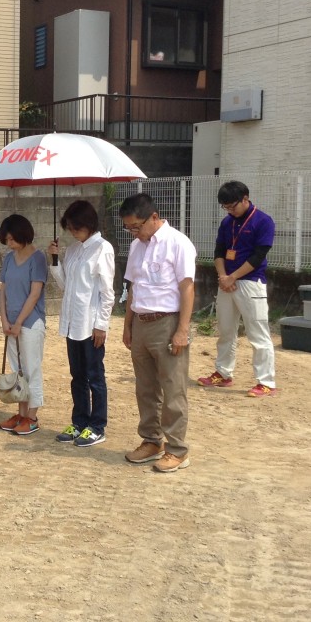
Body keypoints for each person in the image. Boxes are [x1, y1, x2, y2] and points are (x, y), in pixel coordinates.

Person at [120, 193, 196, 473]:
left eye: (137, 226)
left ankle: (177, 449)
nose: (134, 232)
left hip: (167, 323)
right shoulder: (136, 247)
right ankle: (152, 441)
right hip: (141, 322)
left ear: (154, 217)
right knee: (146, 388)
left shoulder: (178, 243)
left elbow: (187, 287)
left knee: (173, 387)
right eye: (129, 228)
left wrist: (182, 330)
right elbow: (133, 288)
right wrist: (127, 325)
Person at [198, 180, 277, 397]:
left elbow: (259, 256)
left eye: (232, 206)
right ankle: (223, 373)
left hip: (251, 283)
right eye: (225, 207)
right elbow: (219, 251)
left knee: (258, 333)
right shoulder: (227, 223)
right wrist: (223, 276)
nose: (229, 211)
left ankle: (266, 381)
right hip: (227, 282)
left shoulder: (263, 221)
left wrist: (232, 276)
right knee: (225, 331)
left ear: (245, 199)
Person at [46, 200, 115, 448]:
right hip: (72, 322)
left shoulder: (102, 249)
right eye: (71, 229)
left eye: (76, 228)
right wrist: (55, 261)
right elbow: (67, 285)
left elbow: (108, 293)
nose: (73, 233)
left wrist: (102, 325)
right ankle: (79, 421)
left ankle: (97, 426)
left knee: (95, 376)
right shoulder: (74, 249)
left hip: (90, 323)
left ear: (88, 224)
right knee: (77, 376)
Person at [0, 214, 47, 435]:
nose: (10, 244)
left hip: (30, 322)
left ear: (22, 235)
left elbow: (35, 294)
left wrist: (17, 322)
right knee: (18, 371)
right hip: (11, 322)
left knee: (31, 369)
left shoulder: (38, 259)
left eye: (12, 239)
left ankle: (32, 417)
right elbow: (3, 290)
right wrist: (4, 319)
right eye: (7, 240)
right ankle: (22, 413)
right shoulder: (9, 258)